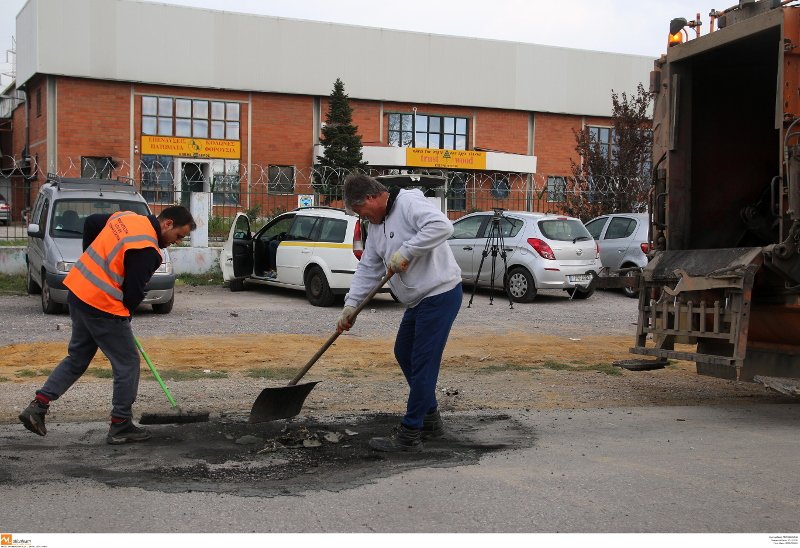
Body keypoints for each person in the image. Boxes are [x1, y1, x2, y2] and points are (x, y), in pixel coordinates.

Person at [18, 206, 196, 445]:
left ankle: (38, 406)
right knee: (127, 363)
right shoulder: (148, 250)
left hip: (79, 292)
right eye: (178, 236)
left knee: (77, 358)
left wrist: (90, 261)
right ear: (167, 224)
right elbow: (133, 292)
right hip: (102, 307)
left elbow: (91, 221)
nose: (177, 242)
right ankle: (121, 425)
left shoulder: (127, 218)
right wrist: (125, 317)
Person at [337, 174, 462, 453]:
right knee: (404, 352)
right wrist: (351, 305)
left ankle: (410, 433)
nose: (362, 217)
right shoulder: (375, 226)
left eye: (360, 210)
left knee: (422, 362)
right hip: (417, 300)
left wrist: (407, 251)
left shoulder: (409, 202)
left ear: (371, 198)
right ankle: (430, 419)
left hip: (440, 293)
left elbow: (442, 226)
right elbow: (369, 268)